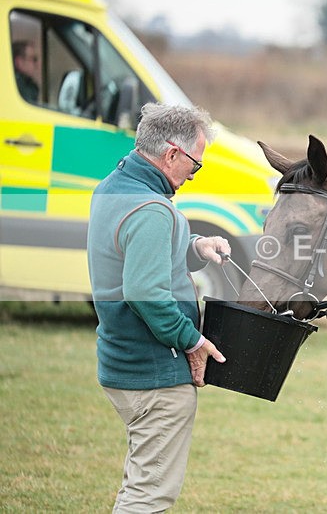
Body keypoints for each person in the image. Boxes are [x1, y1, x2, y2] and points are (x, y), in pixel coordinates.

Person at [87, 103, 229, 512]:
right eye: (195, 166)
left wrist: (194, 247)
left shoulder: (113, 188)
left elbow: (136, 257)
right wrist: (193, 341)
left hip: (122, 367)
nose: (191, 175)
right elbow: (144, 291)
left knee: (139, 486)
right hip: (154, 379)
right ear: (171, 154)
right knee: (148, 498)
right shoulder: (152, 209)